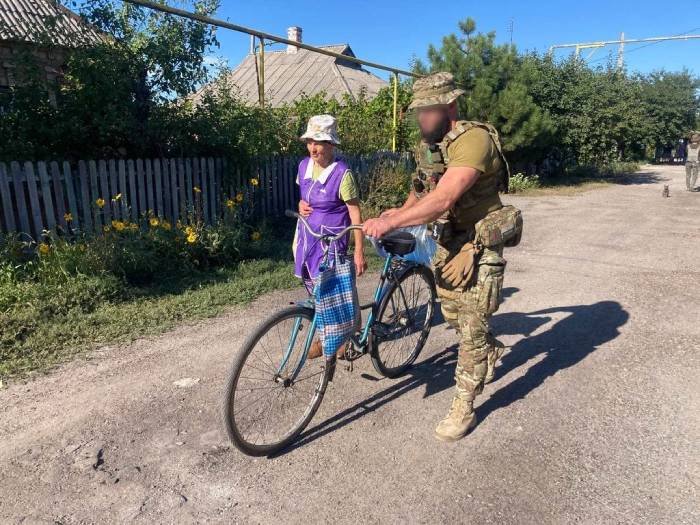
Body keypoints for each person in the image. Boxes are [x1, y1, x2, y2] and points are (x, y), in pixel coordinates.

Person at [363, 72, 519, 442]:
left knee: (472, 324)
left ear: (449, 105)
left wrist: (394, 222)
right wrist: (394, 215)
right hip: (449, 237)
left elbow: (444, 199)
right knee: (450, 310)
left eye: (427, 111)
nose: (421, 119)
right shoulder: (430, 145)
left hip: (482, 238)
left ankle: (464, 406)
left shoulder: (474, 141)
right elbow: (421, 190)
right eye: (417, 112)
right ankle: (490, 350)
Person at [293, 114, 367, 358]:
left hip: (332, 241)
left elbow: (355, 213)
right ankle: (333, 334)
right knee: (314, 288)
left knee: (334, 288)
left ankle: (341, 336)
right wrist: (301, 204)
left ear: (331, 144)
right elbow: (305, 196)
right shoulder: (303, 166)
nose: (313, 148)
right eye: (310, 142)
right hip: (308, 237)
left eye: (319, 142)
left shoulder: (342, 174)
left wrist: (358, 251)